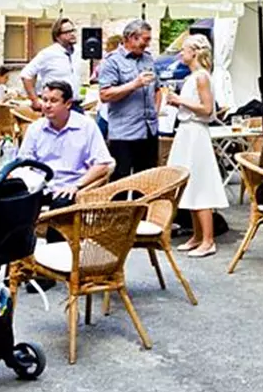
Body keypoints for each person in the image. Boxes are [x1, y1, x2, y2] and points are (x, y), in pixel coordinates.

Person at [163, 35, 228, 257]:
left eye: (184, 49)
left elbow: (207, 109)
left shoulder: (201, 77)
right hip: (187, 132)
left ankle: (208, 240)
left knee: (200, 184)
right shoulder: (193, 77)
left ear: (195, 52)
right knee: (189, 184)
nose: (181, 53)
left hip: (195, 134)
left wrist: (179, 101)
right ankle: (197, 236)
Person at [17, 80, 114, 207]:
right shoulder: (35, 128)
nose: (47, 105)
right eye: (44, 100)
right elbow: (23, 162)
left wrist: (77, 185)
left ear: (68, 104)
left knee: (59, 205)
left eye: (53, 101)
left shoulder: (86, 126)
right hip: (38, 188)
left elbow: (102, 164)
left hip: (71, 189)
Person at [97, 19, 161, 178]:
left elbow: (158, 89)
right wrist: (134, 84)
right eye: (145, 39)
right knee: (121, 183)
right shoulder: (112, 62)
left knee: (148, 182)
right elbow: (105, 95)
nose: (147, 44)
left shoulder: (148, 59)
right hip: (124, 133)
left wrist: (156, 112)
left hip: (149, 132)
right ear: (131, 37)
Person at [22, 17, 82, 113]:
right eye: (67, 32)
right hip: (56, 107)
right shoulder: (48, 54)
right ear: (57, 36)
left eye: (73, 30)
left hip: (75, 105)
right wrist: (35, 100)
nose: (72, 34)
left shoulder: (77, 52)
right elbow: (26, 74)